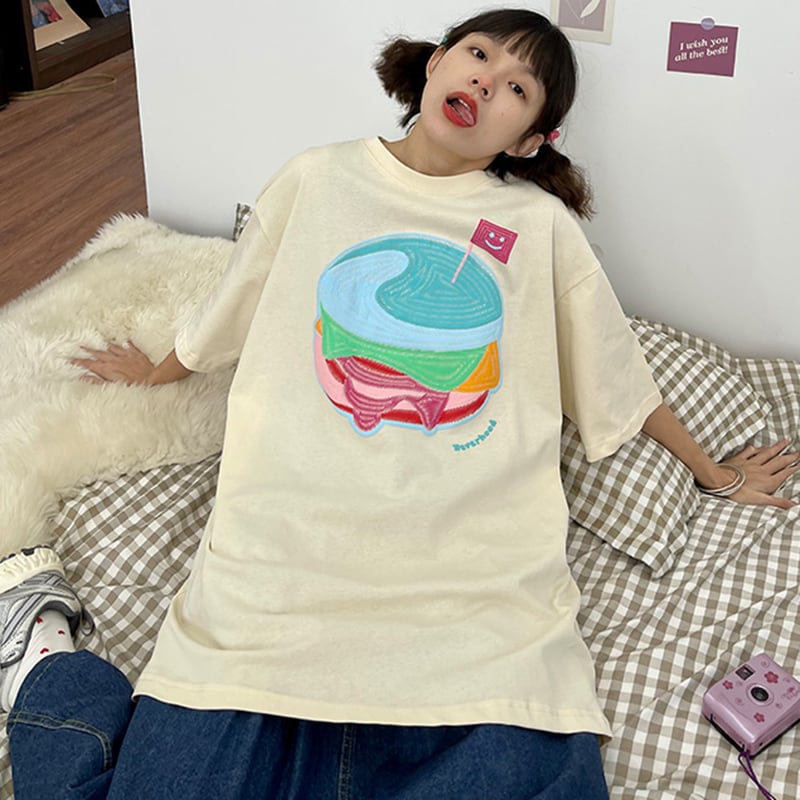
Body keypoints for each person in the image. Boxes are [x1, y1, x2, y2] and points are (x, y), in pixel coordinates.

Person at [2, 9, 798, 800]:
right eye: (478, 53)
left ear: (530, 140)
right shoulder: (317, 178)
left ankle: (46, 673)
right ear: (436, 62)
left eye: (517, 87)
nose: (486, 79)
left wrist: (716, 475)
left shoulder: (539, 229)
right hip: (275, 586)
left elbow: (617, 377)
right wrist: (158, 373)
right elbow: (233, 303)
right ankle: (44, 659)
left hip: (475, 616)